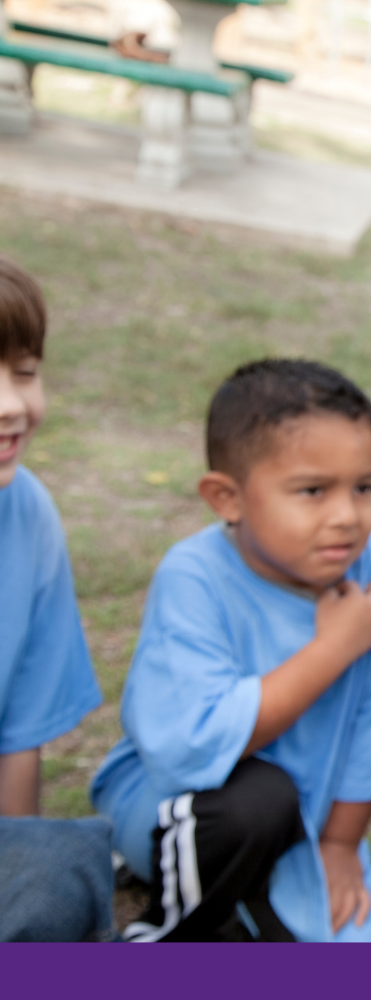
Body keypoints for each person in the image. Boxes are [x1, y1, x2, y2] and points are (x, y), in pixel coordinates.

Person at [90, 359, 371, 942]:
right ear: (227, 498)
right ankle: (168, 931)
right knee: (257, 803)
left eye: (364, 487)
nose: (348, 516)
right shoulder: (194, 576)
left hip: (305, 833)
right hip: (185, 812)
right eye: (312, 491)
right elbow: (195, 747)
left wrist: (340, 844)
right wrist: (333, 649)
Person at [0, 256, 114, 942]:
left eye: (24, 371)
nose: (13, 403)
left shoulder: (29, 515)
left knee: (61, 862)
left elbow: (19, 739)